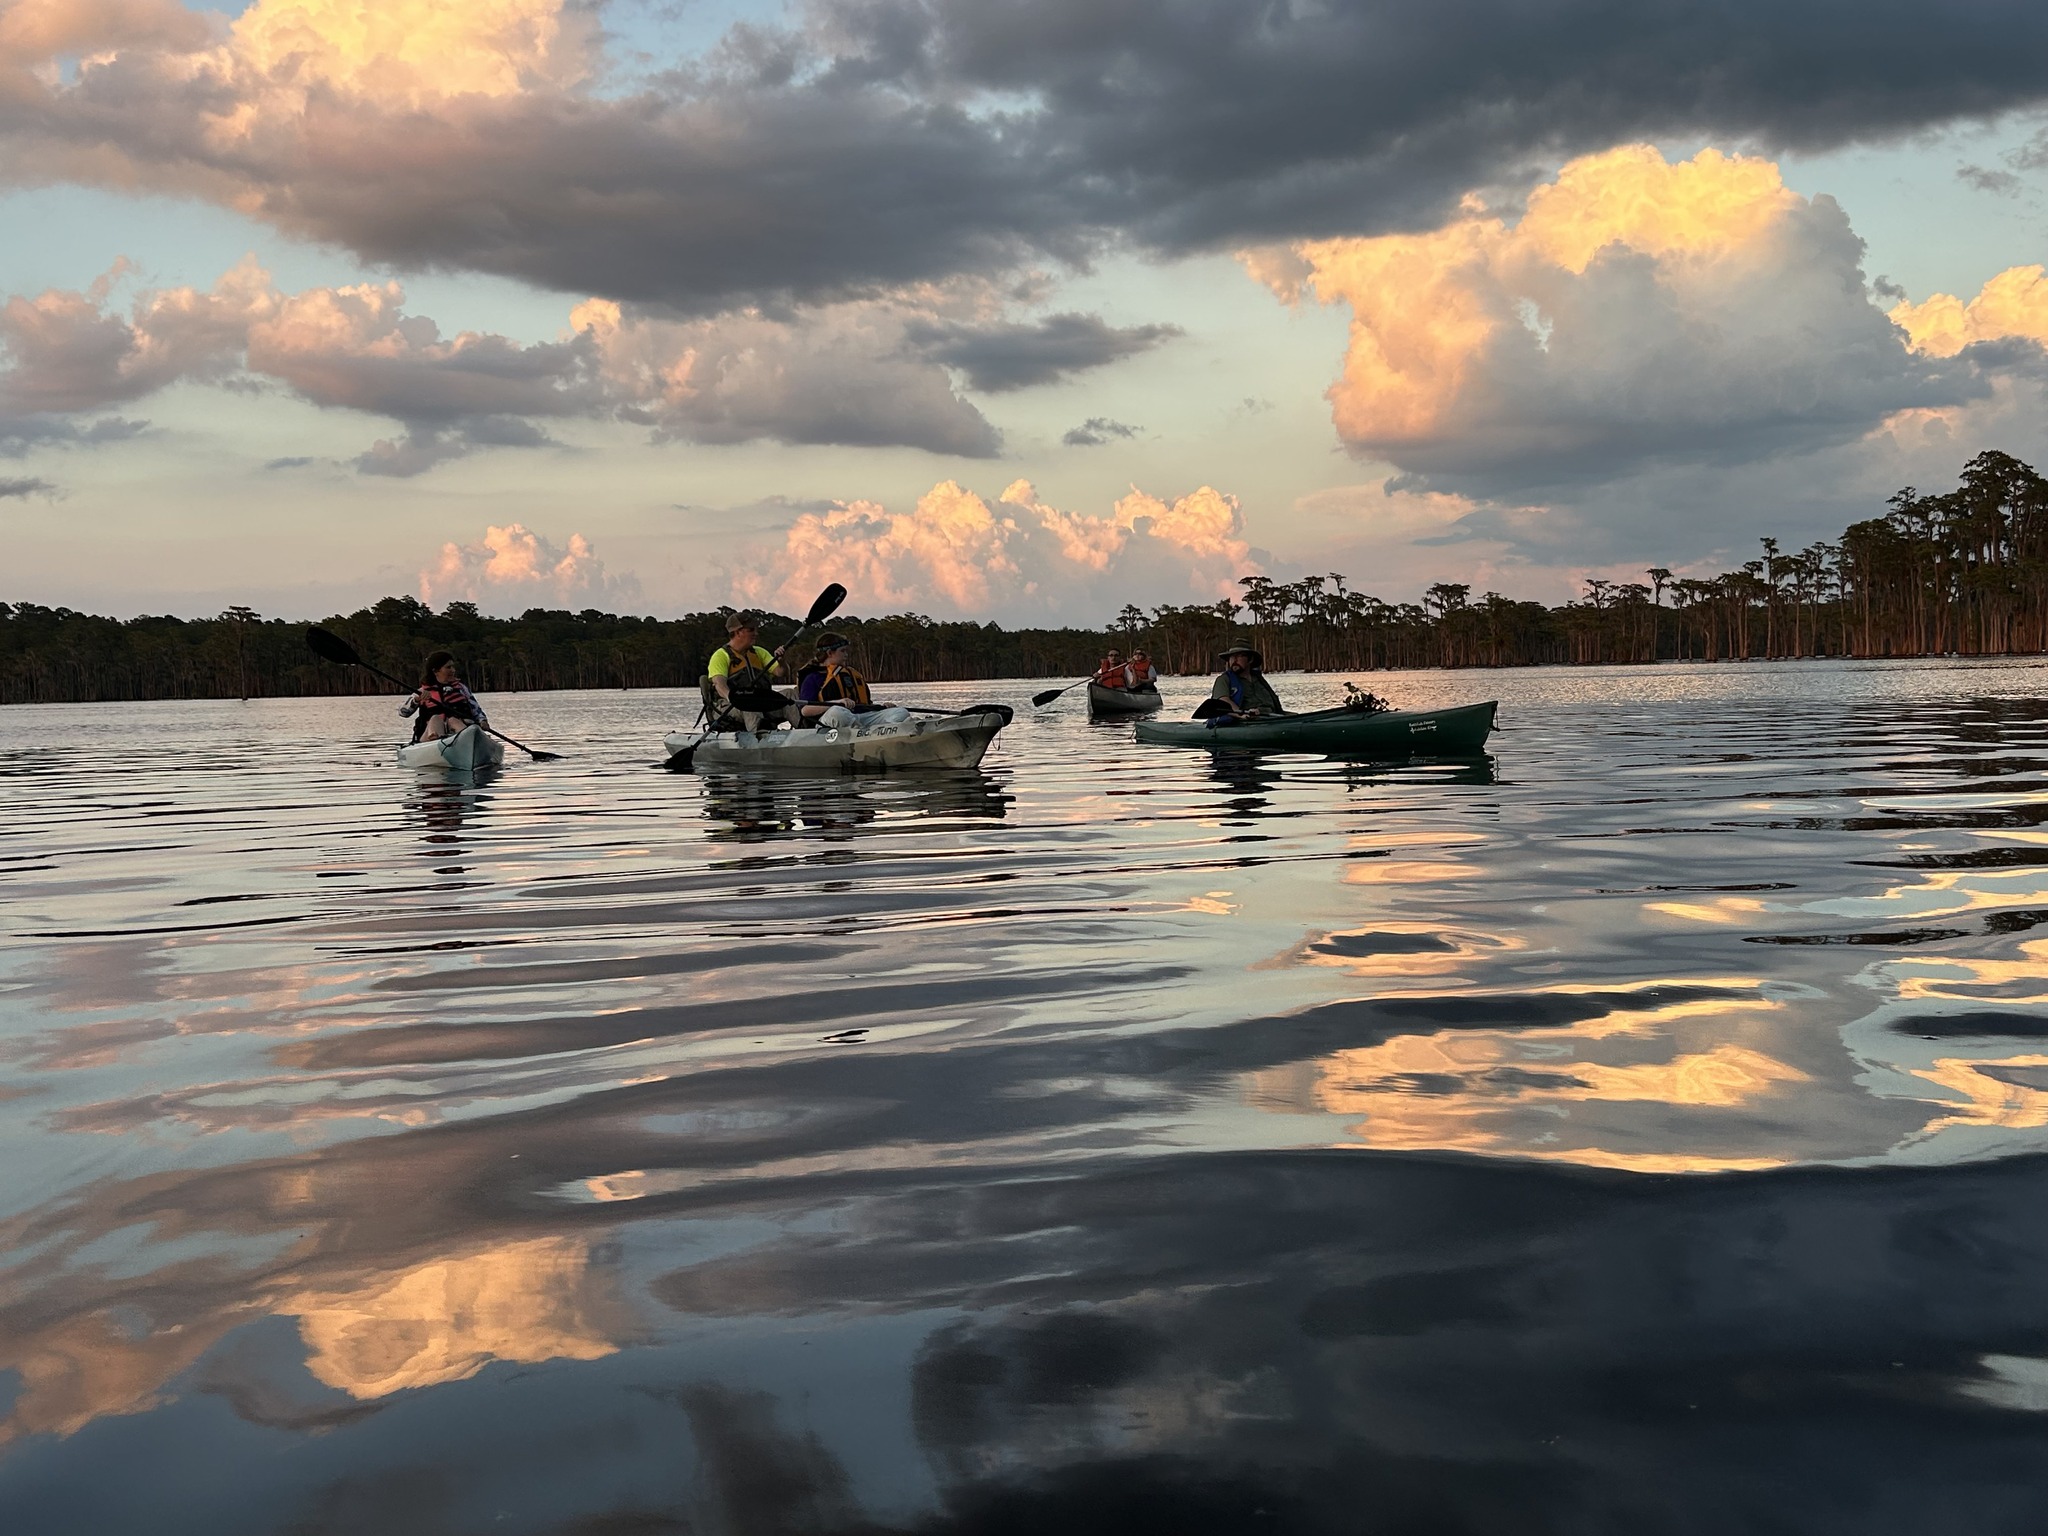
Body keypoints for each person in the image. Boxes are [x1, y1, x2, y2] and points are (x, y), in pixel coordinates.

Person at [706, 612, 800, 731]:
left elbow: (781, 672)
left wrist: (782, 661)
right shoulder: (721, 656)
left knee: (789, 694)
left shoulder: (758, 652)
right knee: (749, 703)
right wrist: (734, 699)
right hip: (730, 706)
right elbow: (720, 685)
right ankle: (759, 735)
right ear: (738, 632)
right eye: (751, 630)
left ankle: (808, 733)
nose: (756, 633)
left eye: (755, 629)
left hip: (760, 701)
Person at [795, 634, 912, 728]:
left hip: (859, 717)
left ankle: (878, 732)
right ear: (830, 653)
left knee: (900, 712)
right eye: (843, 651)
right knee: (838, 712)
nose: (846, 655)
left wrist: (882, 707)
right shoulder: (812, 677)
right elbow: (805, 710)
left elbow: (866, 704)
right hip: (829, 720)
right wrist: (836, 703)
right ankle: (865, 732)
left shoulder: (851, 675)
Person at [400, 651, 488, 741]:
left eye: (453, 667)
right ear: (435, 671)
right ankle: (437, 740)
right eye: (448, 667)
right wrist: (417, 700)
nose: (453, 670)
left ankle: (469, 740)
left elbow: (476, 710)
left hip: (458, 733)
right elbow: (403, 713)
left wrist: (482, 721)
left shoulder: (462, 689)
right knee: (435, 718)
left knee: (453, 720)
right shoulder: (422, 692)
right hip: (430, 738)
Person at [1210, 640, 1286, 718]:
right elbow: (1223, 701)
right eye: (1232, 656)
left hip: (1271, 717)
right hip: (1247, 722)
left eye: (1239, 656)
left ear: (1250, 659)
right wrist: (1243, 714)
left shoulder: (1259, 679)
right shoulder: (1224, 680)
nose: (1234, 660)